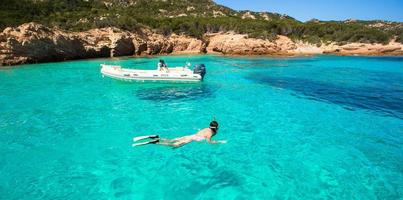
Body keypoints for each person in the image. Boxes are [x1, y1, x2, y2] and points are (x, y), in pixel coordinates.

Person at [133, 121, 226, 148]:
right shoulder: (210, 133)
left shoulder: (206, 129)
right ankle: (155, 142)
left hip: (189, 135)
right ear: (217, 127)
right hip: (190, 139)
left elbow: (202, 132)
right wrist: (219, 142)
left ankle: (156, 137)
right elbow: (209, 142)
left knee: (172, 140)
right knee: (172, 145)